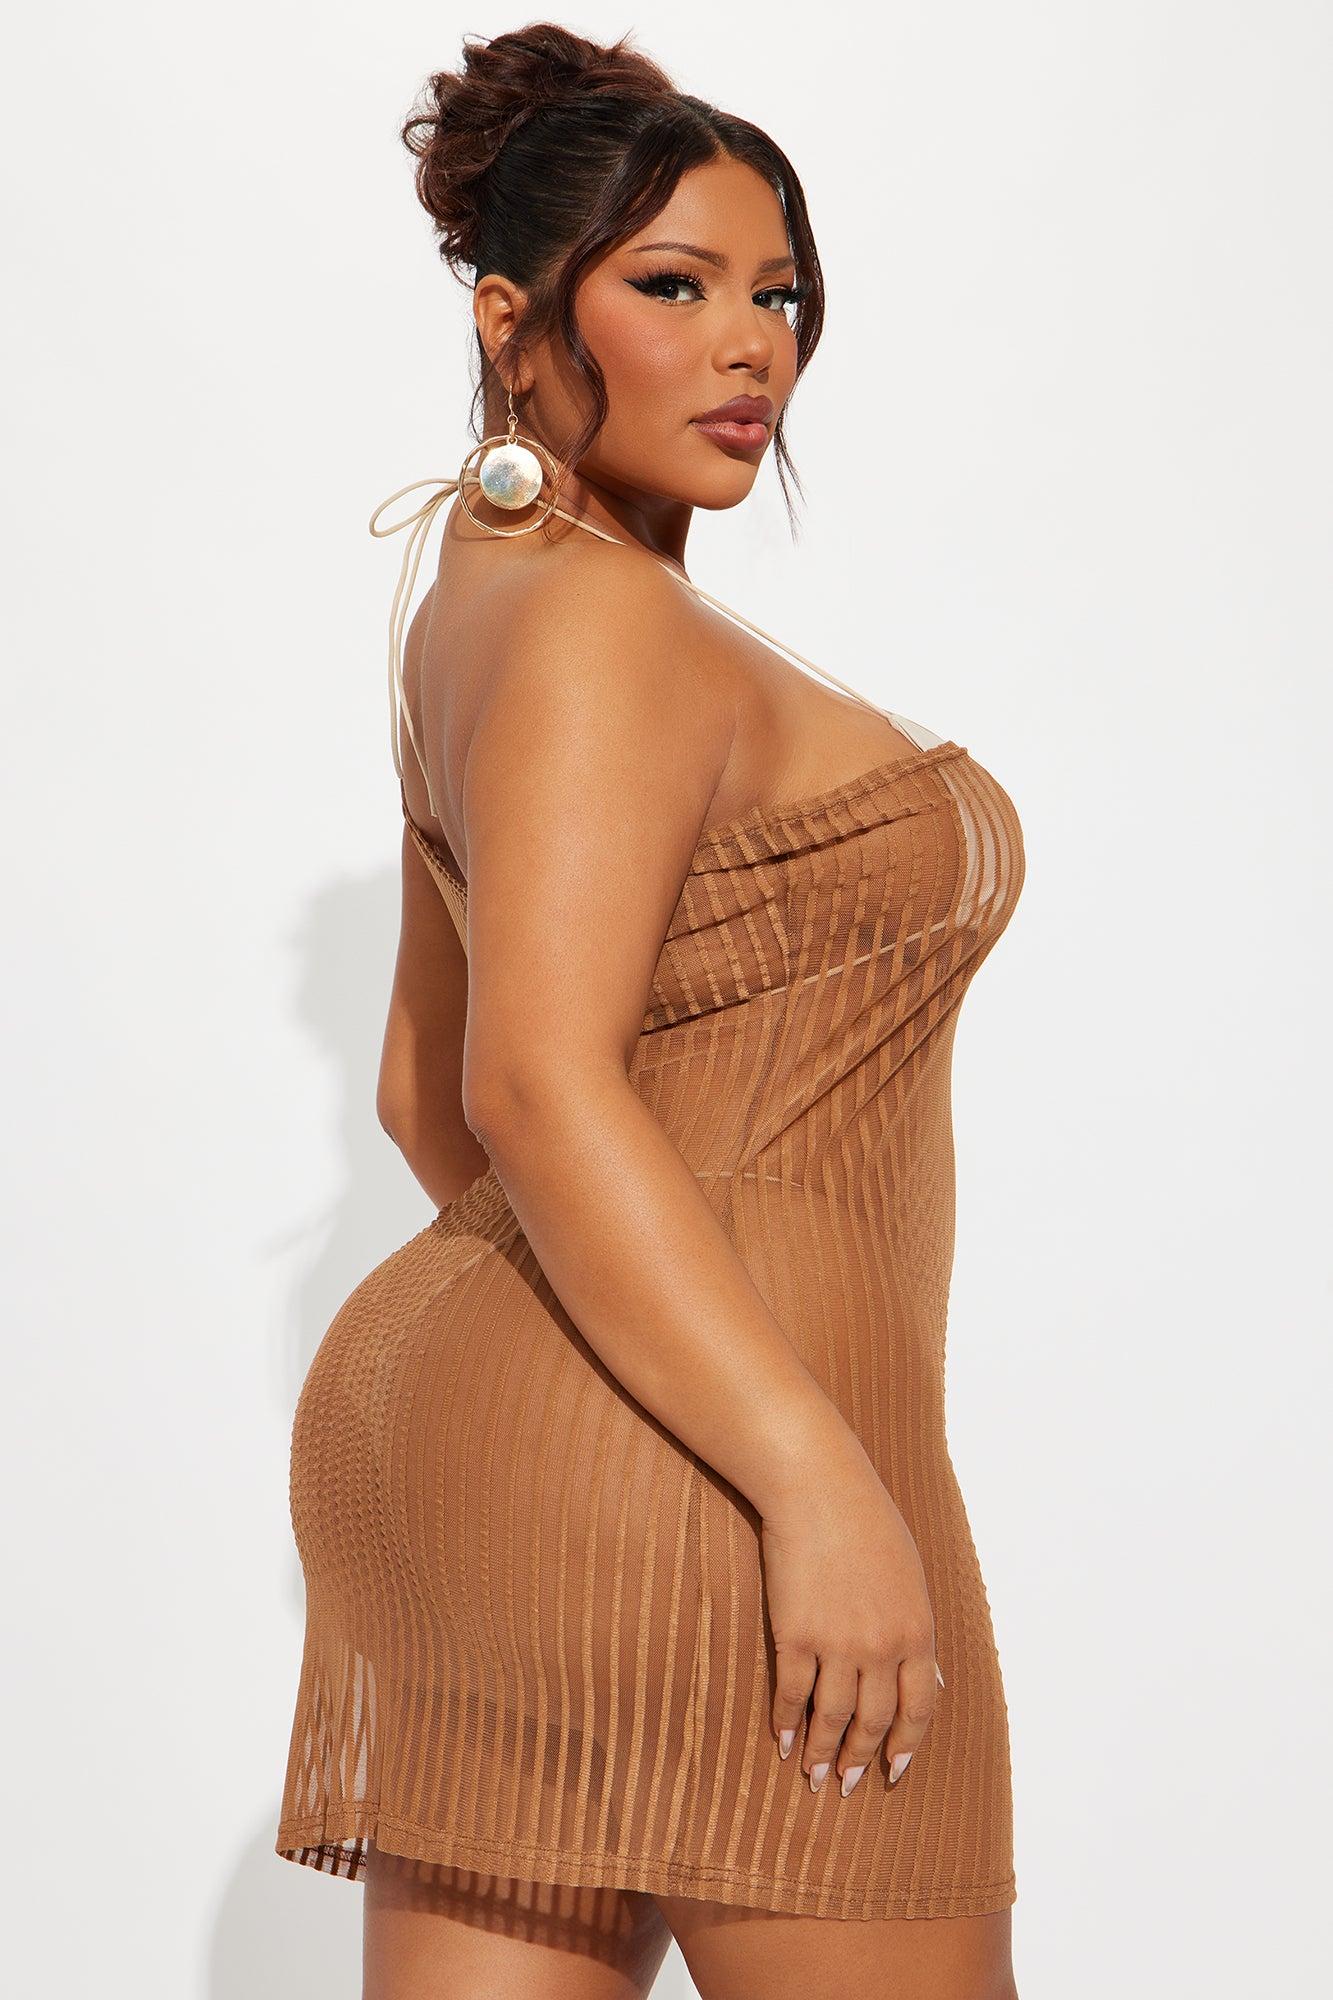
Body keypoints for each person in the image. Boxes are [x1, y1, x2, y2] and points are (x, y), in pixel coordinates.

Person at [275, 22, 1026, 1999]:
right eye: (675, 288)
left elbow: (421, 1089)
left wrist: (561, 1399)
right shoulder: (605, 623)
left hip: (520, 1444)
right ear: (513, 323)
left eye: (778, 294)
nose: (750, 347)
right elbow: (525, 1083)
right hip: (731, 1458)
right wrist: (805, 1471)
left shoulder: (477, 601)